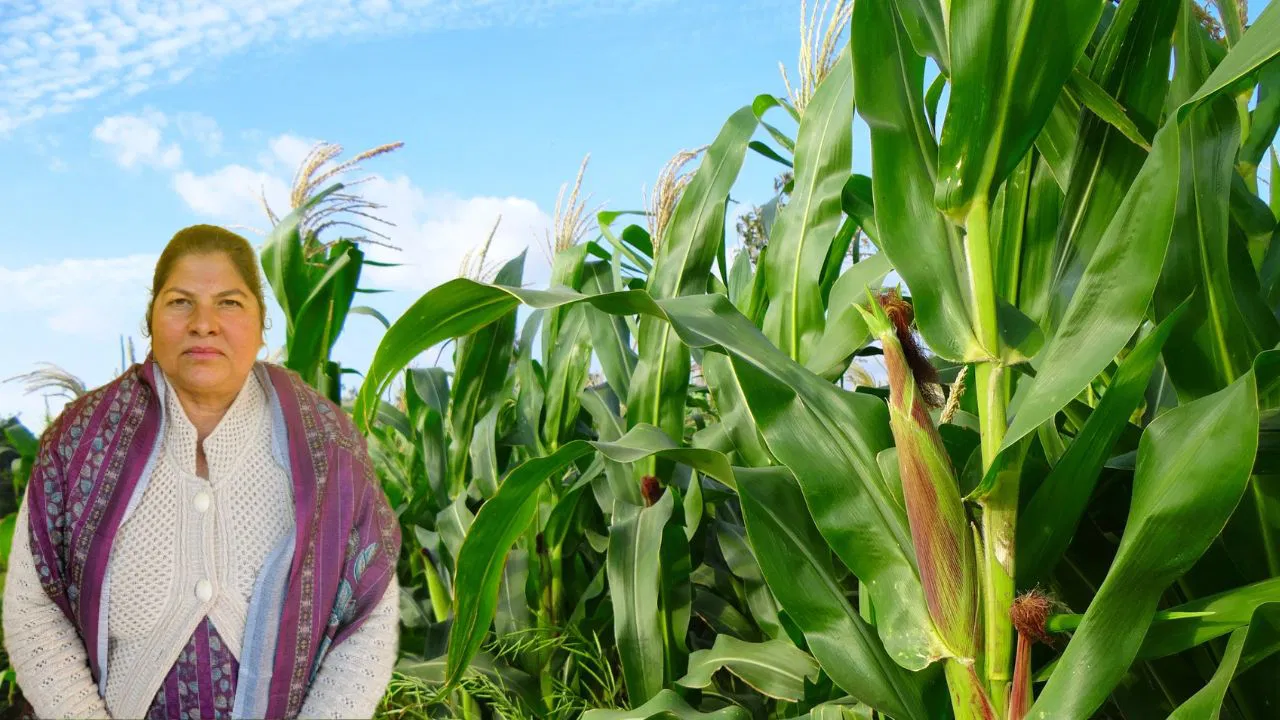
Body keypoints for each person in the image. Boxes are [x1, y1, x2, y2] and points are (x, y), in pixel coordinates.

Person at [2, 225, 402, 719]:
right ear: (150, 320)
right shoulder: (80, 440)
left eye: (230, 303)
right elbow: (34, 605)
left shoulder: (327, 444)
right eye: (179, 302)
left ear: (261, 324)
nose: (204, 324)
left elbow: (368, 614)